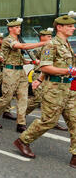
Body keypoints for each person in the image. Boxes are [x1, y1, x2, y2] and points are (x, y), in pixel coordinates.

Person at [14, 15, 76, 169]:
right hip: (54, 90)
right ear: (59, 27)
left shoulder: (66, 44)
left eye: (73, 26)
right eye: (69, 26)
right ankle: (23, 141)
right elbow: (45, 67)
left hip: (68, 89)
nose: (73, 28)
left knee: (75, 122)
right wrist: (69, 70)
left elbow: (54, 66)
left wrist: (39, 80)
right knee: (48, 121)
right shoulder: (51, 45)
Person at [0, 18, 50, 132]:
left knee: (23, 98)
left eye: (19, 27)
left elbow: (21, 57)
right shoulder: (8, 40)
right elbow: (23, 47)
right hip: (10, 71)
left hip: (20, 71)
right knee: (6, 97)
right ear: (10, 29)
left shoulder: (18, 40)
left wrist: (32, 61)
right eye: (17, 27)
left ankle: (21, 123)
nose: (19, 29)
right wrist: (43, 42)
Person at [25, 29, 67, 131]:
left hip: (49, 76)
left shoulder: (54, 46)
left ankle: (51, 120)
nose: (50, 38)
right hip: (39, 74)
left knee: (49, 100)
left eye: (50, 36)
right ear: (42, 37)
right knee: (38, 99)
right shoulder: (38, 48)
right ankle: (22, 113)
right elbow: (34, 59)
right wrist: (38, 61)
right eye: (47, 36)